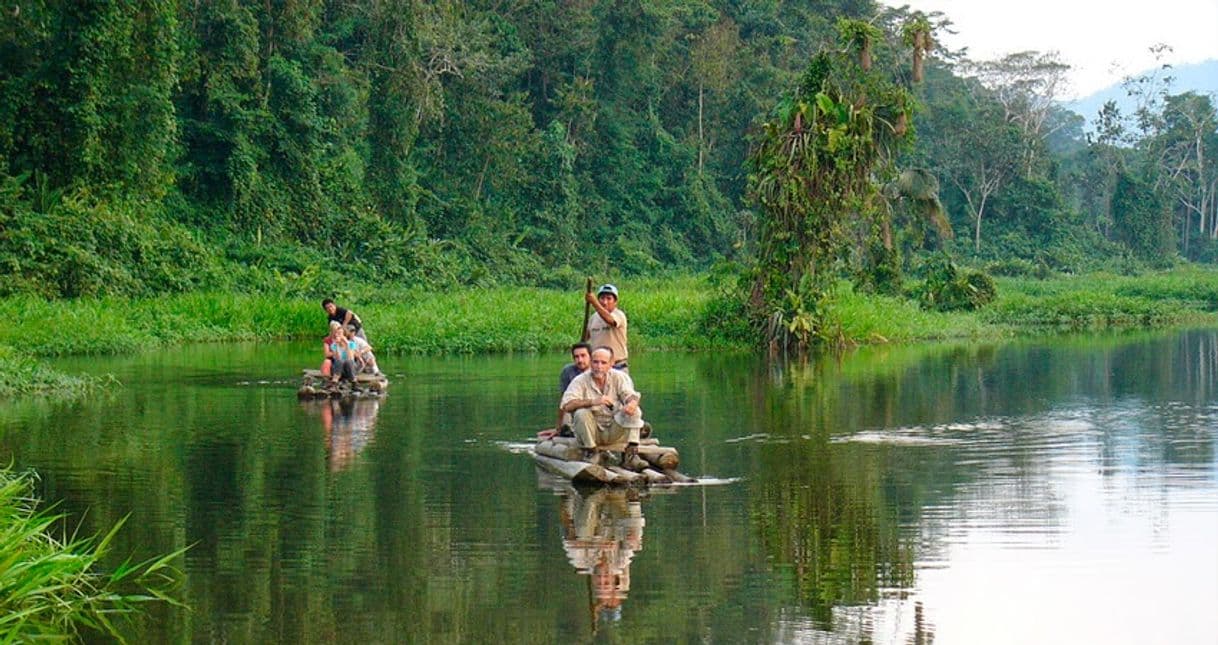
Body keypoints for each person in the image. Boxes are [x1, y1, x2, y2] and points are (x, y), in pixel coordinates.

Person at [560, 346, 645, 464]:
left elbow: (630, 395)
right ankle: (591, 452)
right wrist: (593, 401)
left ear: (611, 364)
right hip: (591, 433)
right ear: (591, 362)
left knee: (635, 410)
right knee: (581, 413)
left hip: (614, 430)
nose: (598, 367)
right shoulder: (580, 380)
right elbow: (566, 406)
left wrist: (632, 403)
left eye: (603, 363)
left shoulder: (619, 377)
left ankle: (631, 454)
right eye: (595, 362)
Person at [584, 284, 628, 371]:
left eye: (609, 298)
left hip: (617, 366)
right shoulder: (593, 318)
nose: (605, 302)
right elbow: (585, 339)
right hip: (598, 367)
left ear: (615, 302)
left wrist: (594, 302)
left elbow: (610, 320)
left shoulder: (618, 315)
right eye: (602, 298)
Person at [553, 342, 592, 435]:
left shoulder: (598, 370)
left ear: (591, 356)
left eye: (583, 356)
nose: (580, 360)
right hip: (574, 407)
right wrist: (558, 426)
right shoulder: (568, 371)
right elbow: (563, 399)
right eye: (576, 357)